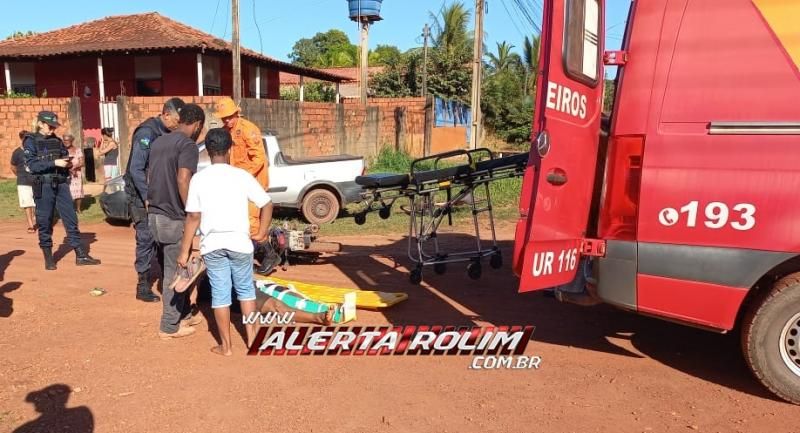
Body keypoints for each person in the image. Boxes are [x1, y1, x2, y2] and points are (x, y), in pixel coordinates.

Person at [178, 128, 273, 356]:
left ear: (208, 152)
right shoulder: (241, 176)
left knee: (220, 294)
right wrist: (262, 232)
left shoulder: (199, 179)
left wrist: (184, 251)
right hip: (240, 243)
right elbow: (267, 203)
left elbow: (192, 217)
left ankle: (226, 346)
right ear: (230, 148)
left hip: (213, 246)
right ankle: (252, 340)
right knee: (246, 292)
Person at [147, 104, 205, 339]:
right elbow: (183, 178)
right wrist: (191, 209)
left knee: (171, 268)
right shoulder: (188, 145)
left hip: (155, 215)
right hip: (174, 217)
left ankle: (182, 313)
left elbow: (150, 175)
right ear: (198, 125)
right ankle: (169, 326)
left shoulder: (160, 141)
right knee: (178, 271)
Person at [124, 97, 186, 303]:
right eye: (177, 119)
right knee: (146, 238)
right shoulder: (147, 132)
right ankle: (142, 285)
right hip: (142, 196)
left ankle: (166, 278)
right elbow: (136, 169)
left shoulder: (167, 133)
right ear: (166, 114)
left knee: (163, 237)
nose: (179, 123)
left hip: (159, 195)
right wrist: (147, 197)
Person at [23, 111, 101, 270]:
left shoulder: (57, 141)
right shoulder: (30, 141)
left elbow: (65, 156)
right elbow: (32, 166)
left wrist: (69, 164)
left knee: (71, 219)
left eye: (54, 126)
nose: (52, 129)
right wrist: (55, 163)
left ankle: (80, 255)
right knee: (45, 221)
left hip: (61, 184)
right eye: (49, 126)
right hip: (43, 185)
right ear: (40, 124)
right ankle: (49, 258)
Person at [213, 97, 268, 236]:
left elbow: (259, 158)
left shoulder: (248, 129)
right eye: (223, 118)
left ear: (236, 113)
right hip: (235, 182)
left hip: (253, 181)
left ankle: (260, 252)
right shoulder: (225, 131)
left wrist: (243, 177)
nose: (226, 120)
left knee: (251, 221)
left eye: (229, 117)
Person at [10, 130, 36, 233]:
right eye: (25, 139)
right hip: (23, 181)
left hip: (35, 180)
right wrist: (20, 175)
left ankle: (36, 218)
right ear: (21, 139)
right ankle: (31, 225)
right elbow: (13, 167)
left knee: (36, 203)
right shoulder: (16, 152)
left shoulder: (35, 151)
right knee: (27, 204)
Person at [63, 134, 84, 213]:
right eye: (64, 140)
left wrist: (74, 167)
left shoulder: (77, 150)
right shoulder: (63, 150)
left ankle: (78, 208)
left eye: (67, 140)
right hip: (66, 173)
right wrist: (68, 169)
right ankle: (69, 208)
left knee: (78, 190)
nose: (65, 142)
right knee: (68, 191)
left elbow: (82, 162)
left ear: (71, 141)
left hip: (76, 173)